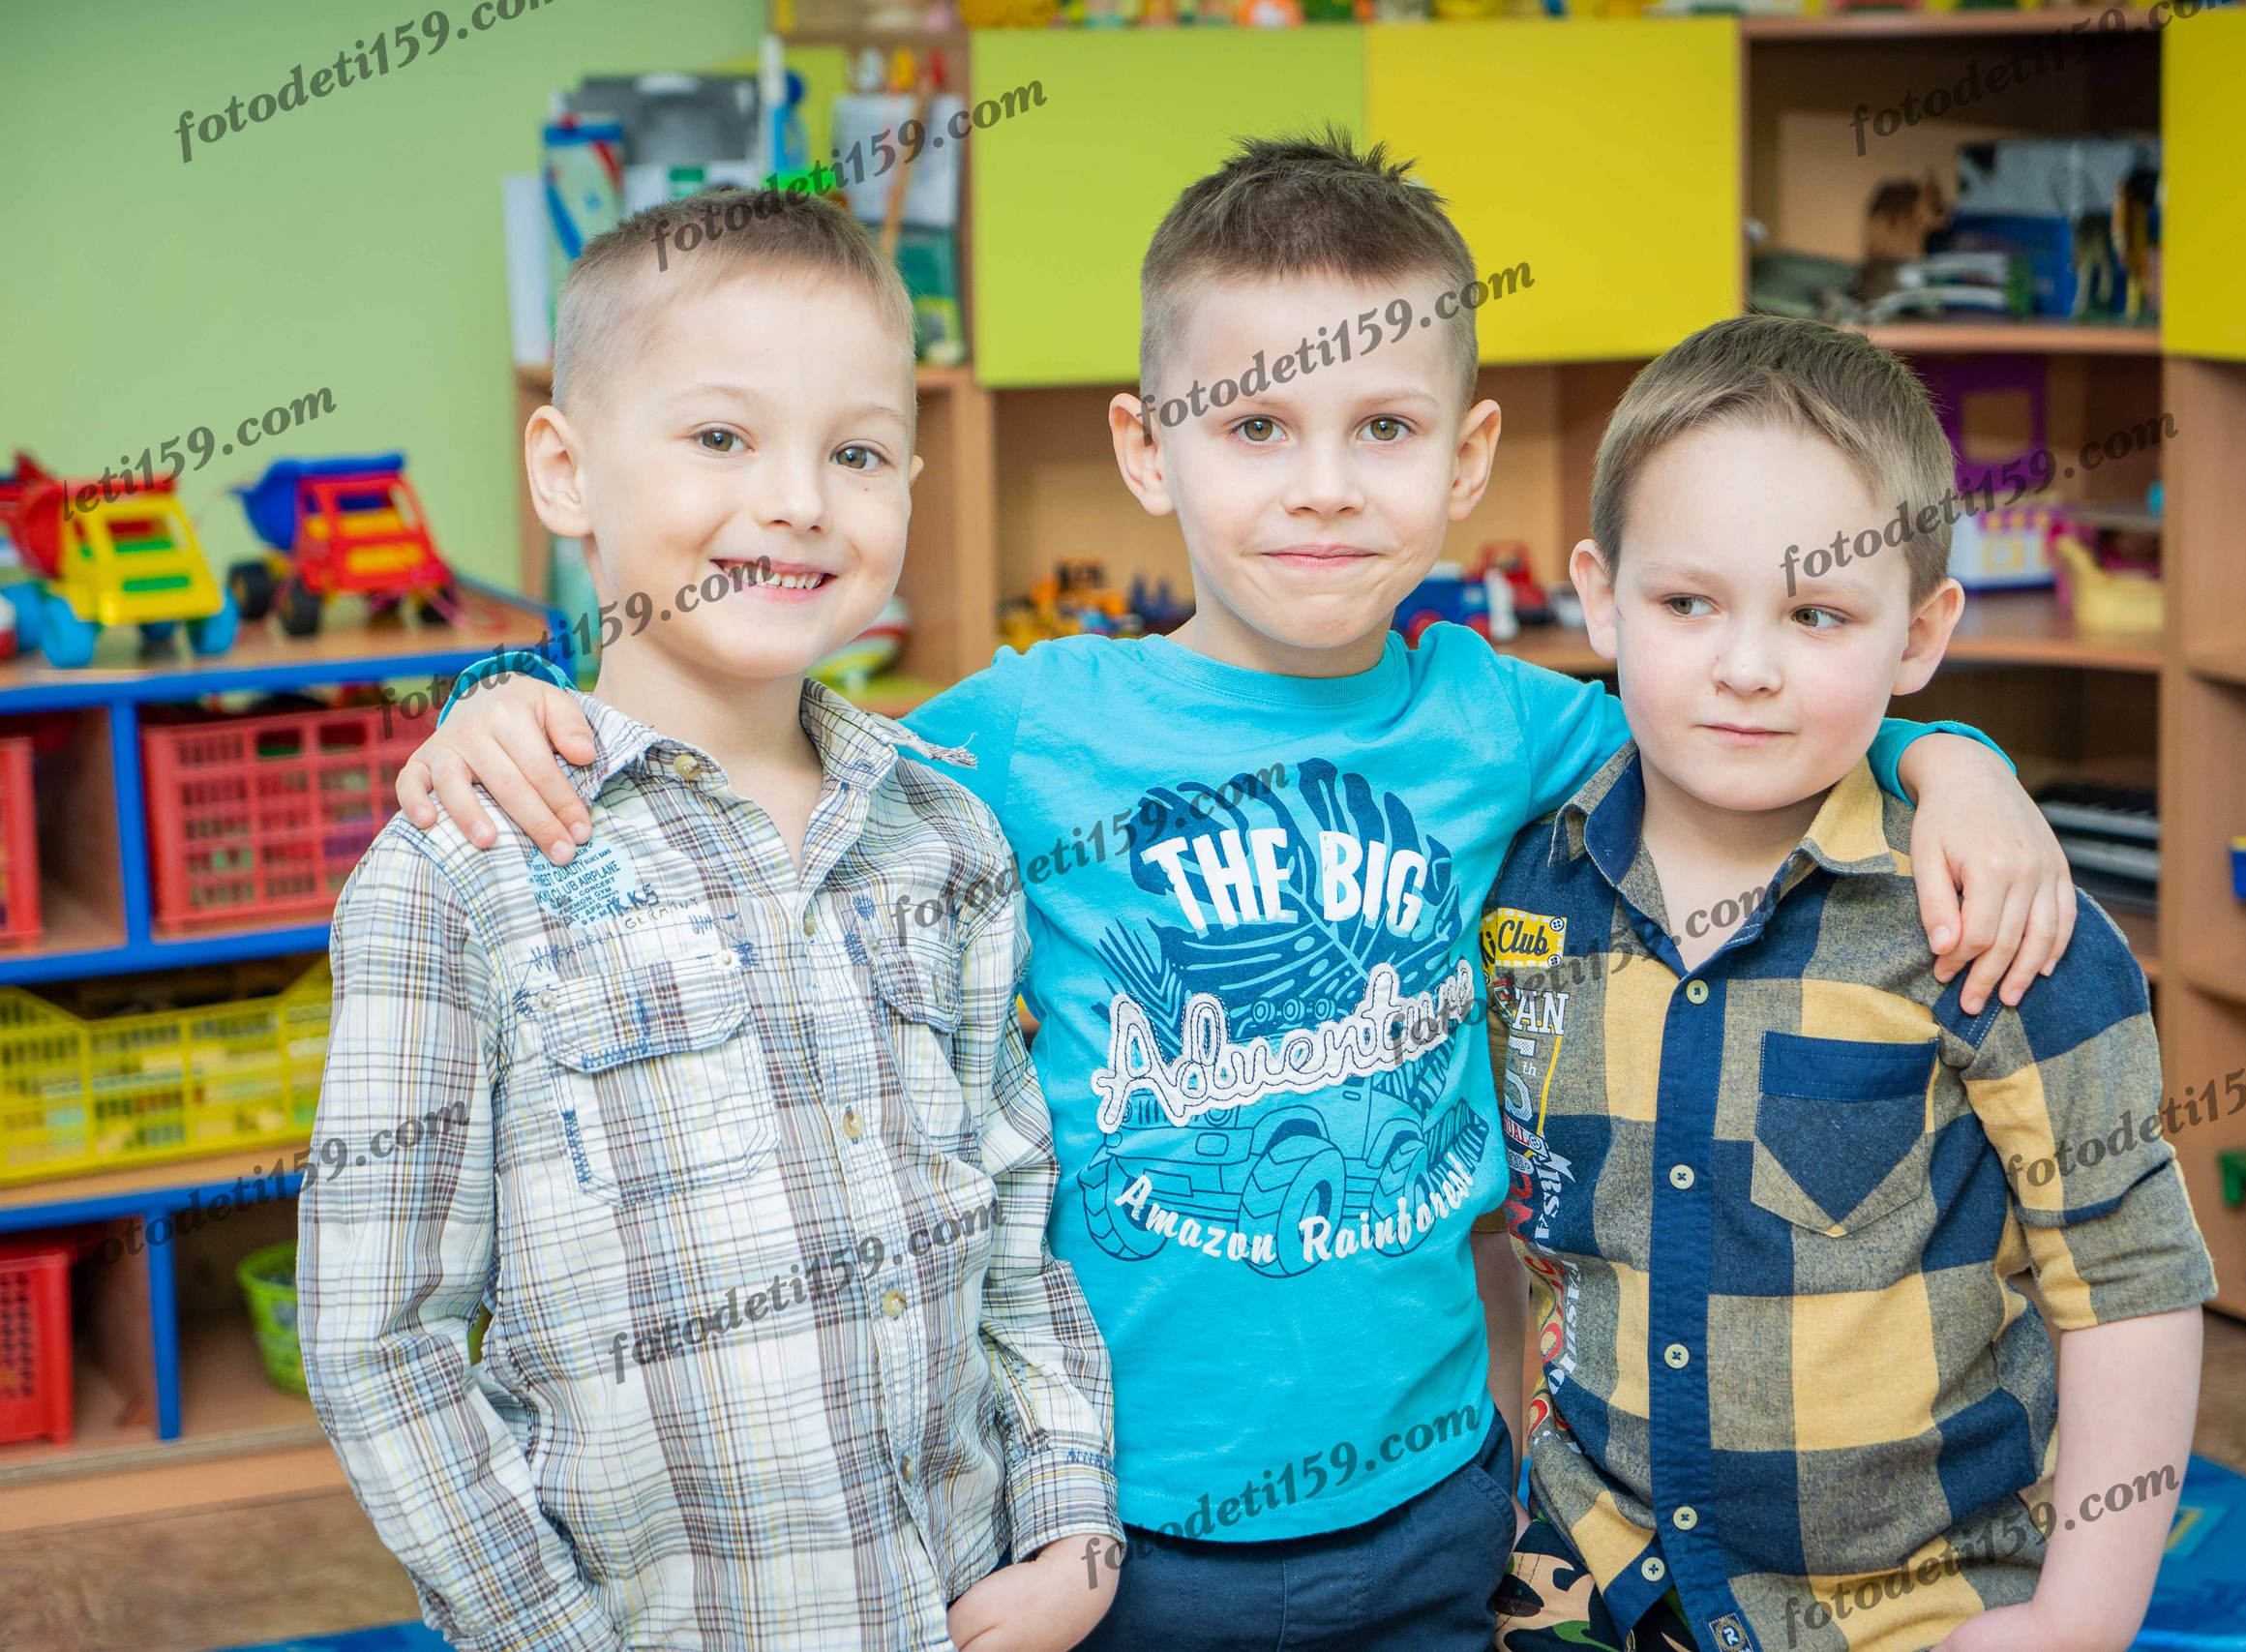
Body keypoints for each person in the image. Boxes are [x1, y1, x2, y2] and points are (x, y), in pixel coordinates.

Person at [395, 135, 2078, 1650]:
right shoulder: (1017, 736)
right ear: (1146, 448)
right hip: (1118, 1532)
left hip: (1444, 1506)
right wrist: (513, 697)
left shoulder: (1497, 718)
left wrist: (1957, 762)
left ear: (1469, 455)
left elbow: (1752, 730)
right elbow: (751, 733)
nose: (1325, 485)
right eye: (1256, 426)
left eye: (1386, 431)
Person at [297, 187, 1120, 1652]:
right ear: (565, 467)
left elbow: (1015, 1231)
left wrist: (1070, 1531)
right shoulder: (465, 860)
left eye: (857, 452)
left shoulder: (950, 839)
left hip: (964, 1605)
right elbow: (383, 1343)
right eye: (722, 437)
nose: (799, 499)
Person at [1481, 315, 2212, 1652]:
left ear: (1921, 633)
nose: (1747, 667)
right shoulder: (1520, 893)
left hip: (1912, 1608)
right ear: (1599, 595)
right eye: (1687, 602)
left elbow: (2131, 1281)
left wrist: (2081, 1621)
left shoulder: (1997, 926)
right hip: (1589, 1574)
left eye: (1818, 615)